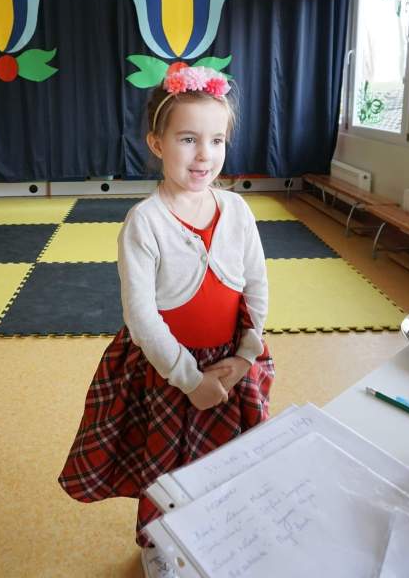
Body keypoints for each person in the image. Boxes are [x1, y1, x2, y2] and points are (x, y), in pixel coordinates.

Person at [58, 66, 274, 578]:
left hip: (231, 363)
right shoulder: (145, 221)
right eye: (188, 139)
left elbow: (256, 284)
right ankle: (160, 548)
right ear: (157, 143)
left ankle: (223, 539)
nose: (204, 155)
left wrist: (246, 355)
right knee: (166, 470)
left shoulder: (237, 210)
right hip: (168, 371)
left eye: (217, 140)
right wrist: (190, 379)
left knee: (231, 460)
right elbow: (142, 318)